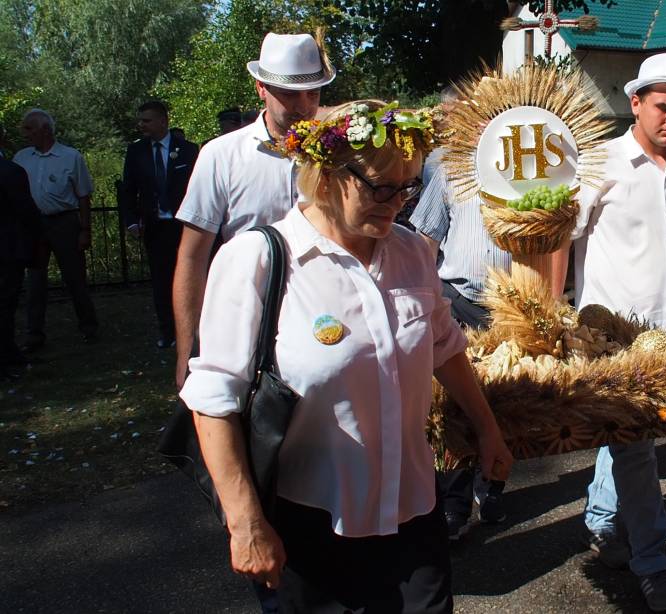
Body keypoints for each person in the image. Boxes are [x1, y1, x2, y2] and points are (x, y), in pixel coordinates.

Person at [180, 100, 514, 613]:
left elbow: (443, 348)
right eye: (381, 187)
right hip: (307, 529)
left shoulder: (412, 253)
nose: (397, 202)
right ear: (328, 173)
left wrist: (488, 428)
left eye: (408, 187)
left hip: (413, 513)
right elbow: (213, 400)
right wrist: (245, 523)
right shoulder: (259, 259)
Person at [560, 51, 666, 612]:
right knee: (636, 450)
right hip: (611, 343)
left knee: (630, 438)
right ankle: (653, 565)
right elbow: (560, 240)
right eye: (661, 107)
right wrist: (552, 320)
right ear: (635, 103)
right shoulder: (598, 164)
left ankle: (604, 523)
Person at [173, 32, 333, 390]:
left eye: (314, 92)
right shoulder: (221, 156)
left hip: (327, 322)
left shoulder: (338, 155)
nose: (303, 105)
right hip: (245, 322)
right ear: (261, 88)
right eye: (289, 93)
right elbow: (192, 258)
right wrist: (188, 351)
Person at [410, 133, 514, 539]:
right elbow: (425, 239)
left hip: (514, 307)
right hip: (457, 299)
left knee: (505, 396)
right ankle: (453, 505)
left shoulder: (530, 171)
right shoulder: (452, 167)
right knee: (454, 402)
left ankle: (492, 488)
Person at [13, 109, 98, 350]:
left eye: (29, 128)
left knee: (74, 278)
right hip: (33, 224)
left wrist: (84, 230)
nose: (24, 133)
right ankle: (34, 334)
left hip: (64, 222)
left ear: (45, 130)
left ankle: (88, 326)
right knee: (36, 281)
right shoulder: (21, 157)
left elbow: (83, 195)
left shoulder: (70, 157)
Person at [120, 100, 199, 348]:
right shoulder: (136, 152)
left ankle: (194, 328)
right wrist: (131, 220)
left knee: (190, 276)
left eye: (147, 120)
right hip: (155, 226)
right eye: (140, 120)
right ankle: (168, 331)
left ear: (163, 121)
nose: (141, 125)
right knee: (161, 280)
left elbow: (198, 188)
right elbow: (128, 189)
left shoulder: (187, 150)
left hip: (184, 226)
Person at [0, 158, 40, 378]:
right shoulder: (9, 171)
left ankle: (9, 351)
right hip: (7, 249)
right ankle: (5, 357)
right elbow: (26, 209)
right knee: (5, 303)